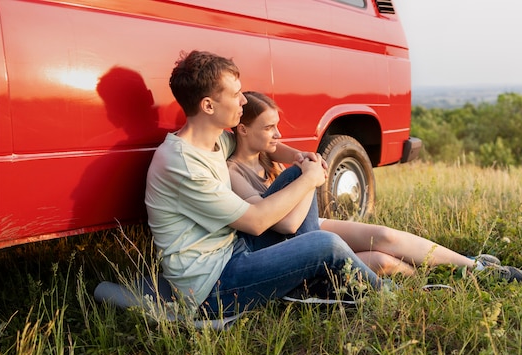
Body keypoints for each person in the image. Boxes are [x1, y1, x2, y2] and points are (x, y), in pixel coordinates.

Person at [144, 50, 392, 317]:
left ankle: (309, 283)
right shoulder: (182, 164)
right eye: (235, 94)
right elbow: (256, 221)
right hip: (212, 287)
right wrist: (310, 179)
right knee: (325, 244)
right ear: (208, 106)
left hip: (236, 249)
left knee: (295, 175)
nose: (242, 100)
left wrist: (301, 159)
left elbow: (266, 146)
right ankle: (388, 296)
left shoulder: (215, 140)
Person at [227, 91, 522, 281]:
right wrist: (309, 179)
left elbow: (286, 152)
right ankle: (446, 278)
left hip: (312, 223)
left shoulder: (267, 152)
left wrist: (303, 158)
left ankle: (475, 268)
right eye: (269, 128)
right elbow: (283, 225)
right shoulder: (233, 171)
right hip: (285, 245)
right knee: (381, 262)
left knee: (383, 235)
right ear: (242, 130)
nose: (277, 134)